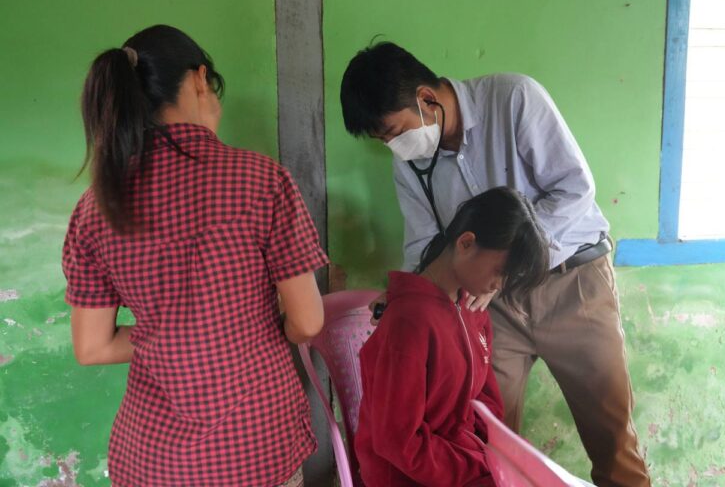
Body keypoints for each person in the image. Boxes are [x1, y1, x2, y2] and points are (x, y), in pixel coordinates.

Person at [341, 42, 650, 487]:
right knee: (491, 437)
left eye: (394, 131)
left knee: (612, 439)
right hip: (487, 304)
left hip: (571, 283)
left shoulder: (513, 99)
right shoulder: (410, 164)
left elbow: (574, 190)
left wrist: (506, 262)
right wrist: (406, 295)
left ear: (426, 99)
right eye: (383, 141)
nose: (394, 146)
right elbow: (424, 245)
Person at [62, 25, 327, 487]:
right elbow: (307, 322)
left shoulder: (96, 207)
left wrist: (169, 334)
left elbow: (92, 347)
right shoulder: (260, 180)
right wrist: (249, 327)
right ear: (200, 79)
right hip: (255, 449)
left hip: (151, 461)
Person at [355, 187, 550, 487]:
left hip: (461, 462)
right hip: (411, 478)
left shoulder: (472, 310)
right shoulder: (409, 321)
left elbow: (486, 406)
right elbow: (398, 442)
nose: (499, 286)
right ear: (466, 243)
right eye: (500, 271)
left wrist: (500, 458)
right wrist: (483, 466)